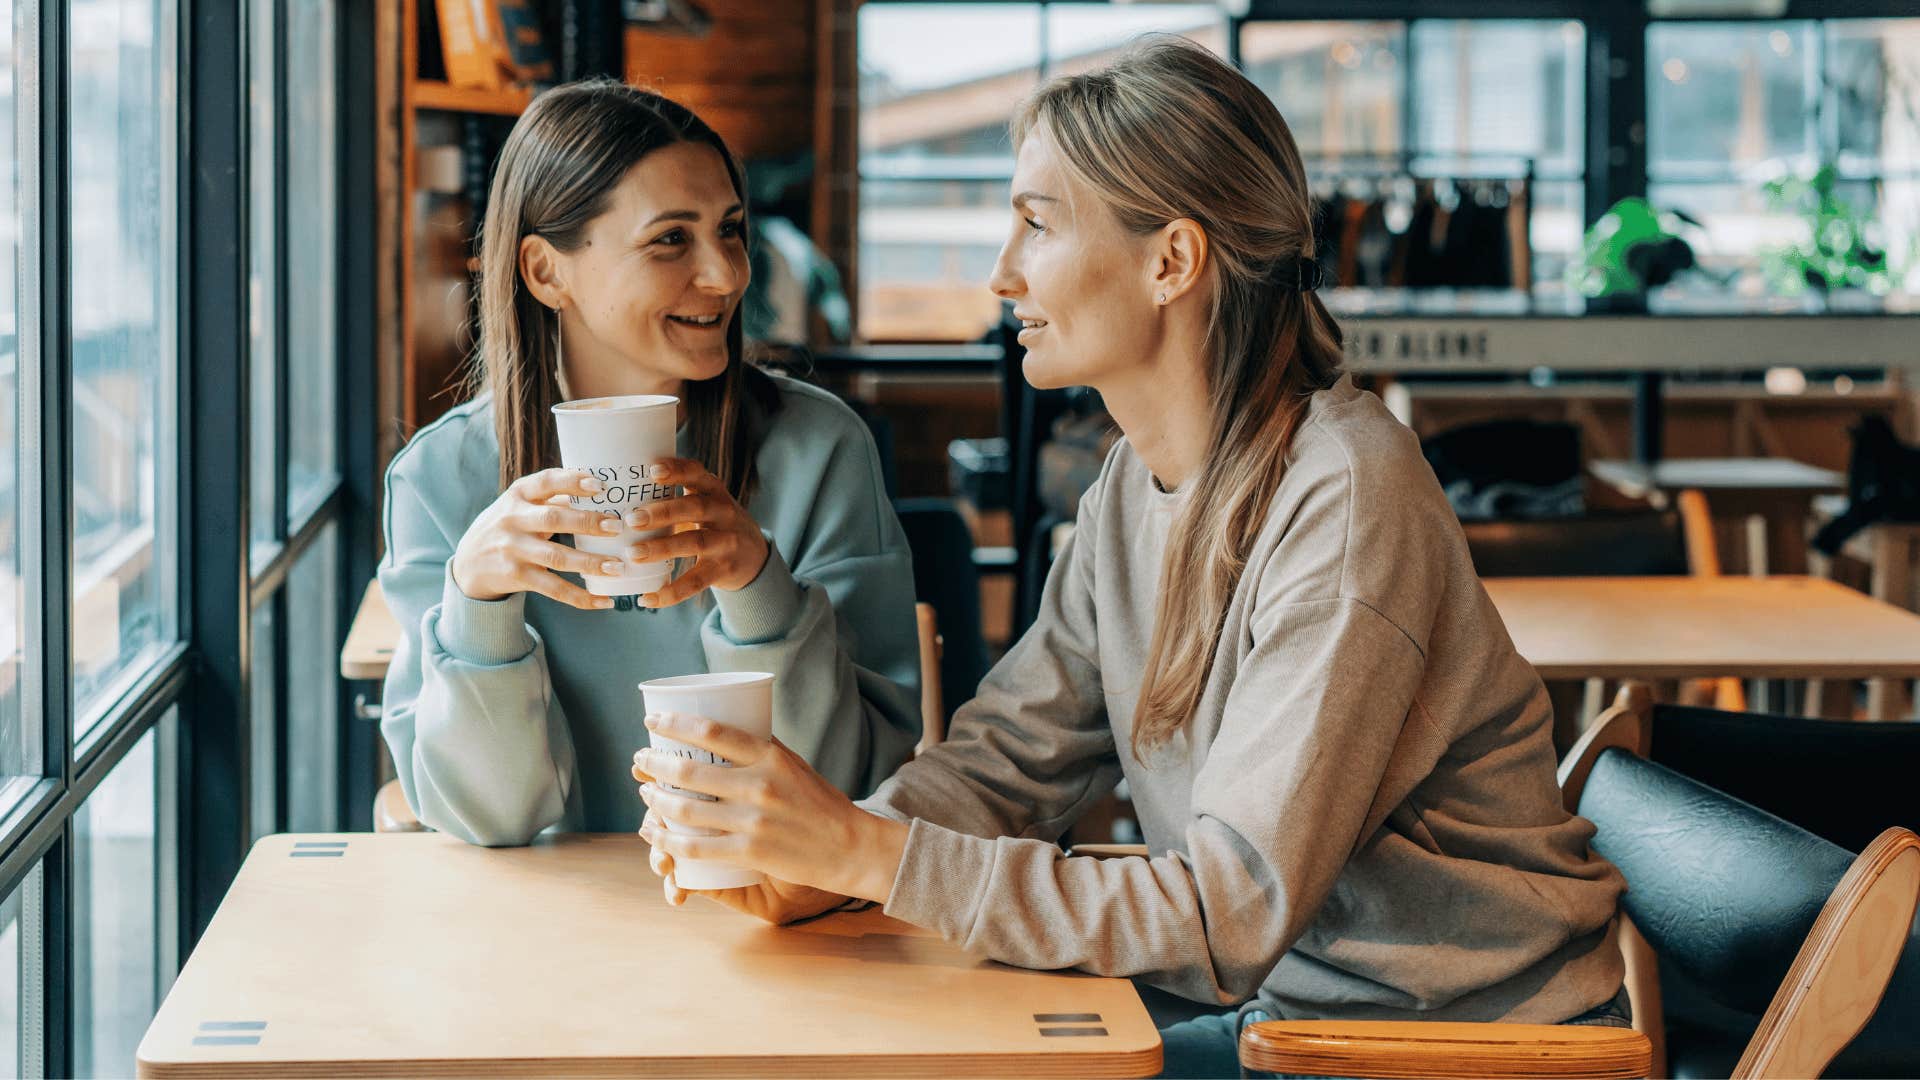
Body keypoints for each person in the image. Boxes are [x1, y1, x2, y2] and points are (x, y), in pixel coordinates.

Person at [630, 40, 1631, 1076]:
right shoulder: (1130, 489)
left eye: (1036, 223)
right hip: (1298, 1019)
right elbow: (1006, 760)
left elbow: (1224, 915)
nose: (1001, 274)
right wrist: (826, 860)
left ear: (1172, 261)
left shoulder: (1345, 495)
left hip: (1460, 1052)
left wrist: (864, 854)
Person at [379, 80, 920, 847]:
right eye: (672, 238)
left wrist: (757, 586)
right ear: (544, 272)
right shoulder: (440, 480)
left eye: (730, 230)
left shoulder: (818, 449)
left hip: (773, 925)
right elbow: (489, 823)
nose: (727, 274)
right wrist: (479, 609)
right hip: (544, 933)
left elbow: (849, 789)